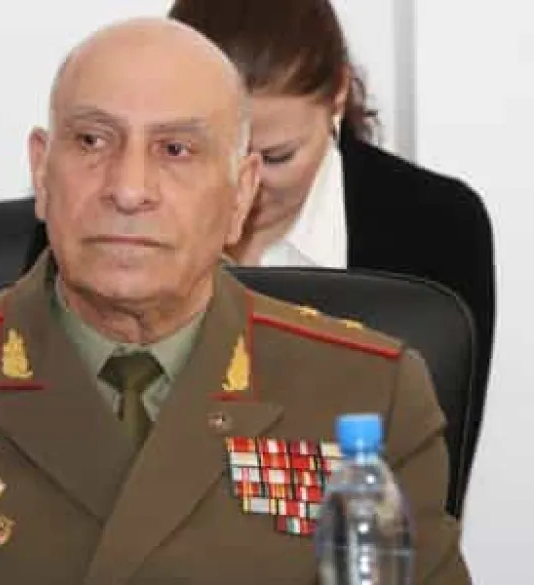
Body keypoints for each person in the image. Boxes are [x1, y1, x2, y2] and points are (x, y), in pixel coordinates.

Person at [0, 18, 469, 584]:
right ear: (43, 171)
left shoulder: (367, 395)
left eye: (176, 150)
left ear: (242, 193)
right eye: (92, 140)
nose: (128, 188)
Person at [167, 0, 495, 495]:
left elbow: (429, 485)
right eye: (211, 154)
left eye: (276, 157)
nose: (245, 188)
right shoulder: (113, 221)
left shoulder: (435, 227)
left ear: (337, 94)